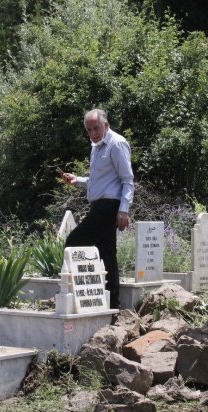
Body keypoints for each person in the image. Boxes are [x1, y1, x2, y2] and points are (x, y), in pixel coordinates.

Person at [61, 109, 134, 310]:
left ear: (106, 125)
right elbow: (98, 181)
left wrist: (124, 210)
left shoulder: (116, 143)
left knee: (73, 242)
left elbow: (127, 180)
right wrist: (78, 181)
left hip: (110, 206)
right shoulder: (96, 146)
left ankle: (68, 294)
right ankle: (113, 305)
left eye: (96, 128)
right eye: (89, 130)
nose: (93, 133)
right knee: (107, 254)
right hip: (100, 204)